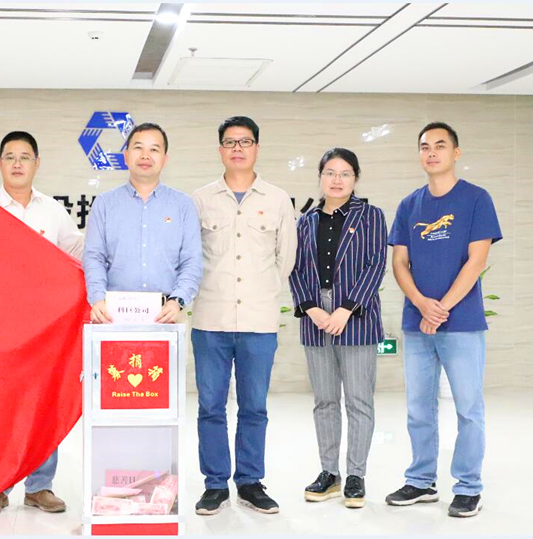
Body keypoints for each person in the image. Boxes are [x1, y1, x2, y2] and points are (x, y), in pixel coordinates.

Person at [386, 122, 502, 518]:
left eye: (440, 145)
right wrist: (422, 304)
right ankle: (421, 481)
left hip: (462, 323)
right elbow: (399, 263)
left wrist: (441, 308)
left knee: (468, 408)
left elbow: (477, 261)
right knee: (418, 408)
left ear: (456, 152)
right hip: (417, 323)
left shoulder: (476, 199)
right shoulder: (409, 205)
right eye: (424, 146)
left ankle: (468, 487)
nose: (431, 152)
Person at [190, 116, 297, 516]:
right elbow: (191, 257)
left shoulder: (278, 199)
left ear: (257, 148)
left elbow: (285, 260)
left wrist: (259, 292)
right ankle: (215, 484)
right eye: (230, 142)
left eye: (245, 141)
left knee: (254, 407)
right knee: (210, 407)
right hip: (210, 321)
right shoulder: (200, 200)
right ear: (220, 149)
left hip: (258, 322)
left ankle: (250, 482)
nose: (238, 148)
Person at [0, 131, 83, 516]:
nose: (18, 163)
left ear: (37, 164)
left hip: (45, 328)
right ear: (0, 164)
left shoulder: (53, 212)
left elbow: (78, 257)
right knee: (0, 409)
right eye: (10, 156)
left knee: (42, 407)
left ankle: (40, 487)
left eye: (25, 157)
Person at [288, 148, 387, 509]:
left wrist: (346, 308)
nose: (337, 180)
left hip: (356, 317)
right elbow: (295, 268)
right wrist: (312, 308)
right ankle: (329, 473)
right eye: (330, 172)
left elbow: (376, 265)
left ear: (355, 178)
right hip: (316, 318)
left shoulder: (371, 216)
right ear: (320, 177)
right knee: (325, 401)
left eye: (345, 173)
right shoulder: (305, 221)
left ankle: (356, 475)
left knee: (359, 400)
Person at [83, 122, 202, 324]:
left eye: (154, 149)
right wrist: (97, 299)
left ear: (165, 159)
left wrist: (177, 301)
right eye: (138, 148)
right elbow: (94, 257)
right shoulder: (104, 204)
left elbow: (192, 261)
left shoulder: (183, 205)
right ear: (126, 156)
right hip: (113, 315)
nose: (145, 156)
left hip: (168, 315)